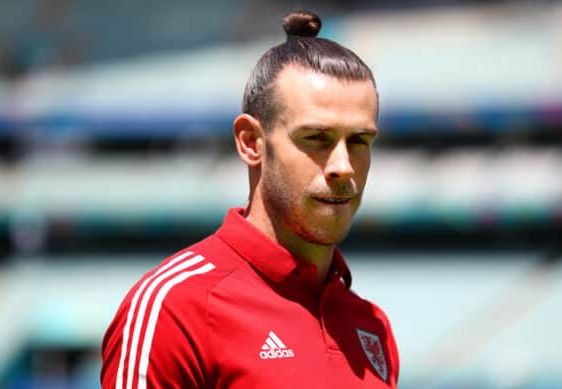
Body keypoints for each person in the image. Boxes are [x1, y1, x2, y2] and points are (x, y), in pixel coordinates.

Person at [101, 10, 399, 389]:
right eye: (316, 138)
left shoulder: (372, 326)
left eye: (359, 141)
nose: (343, 166)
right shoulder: (174, 308)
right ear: (251, 142)